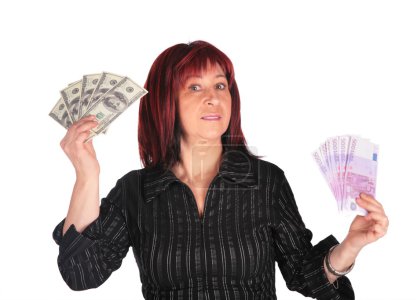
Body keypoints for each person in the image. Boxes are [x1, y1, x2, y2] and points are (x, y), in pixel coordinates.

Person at [53, 40, 389, 300]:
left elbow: (303, 274)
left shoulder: (265, 182)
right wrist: (87, 174)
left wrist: (351, 244)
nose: (213, 98)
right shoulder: (135, 191)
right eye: (195, 87)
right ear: (166, 102)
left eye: (220, 85)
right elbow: (80, 274)